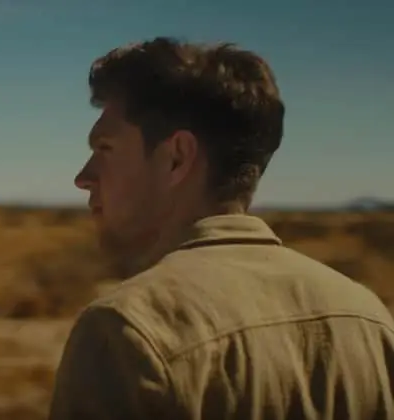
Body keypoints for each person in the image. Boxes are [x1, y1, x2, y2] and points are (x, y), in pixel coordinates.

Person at [47, 37, 394, 420]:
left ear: (176, 158)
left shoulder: (129, 331)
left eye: (104, 148)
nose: (84, 177)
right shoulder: (367, 318)